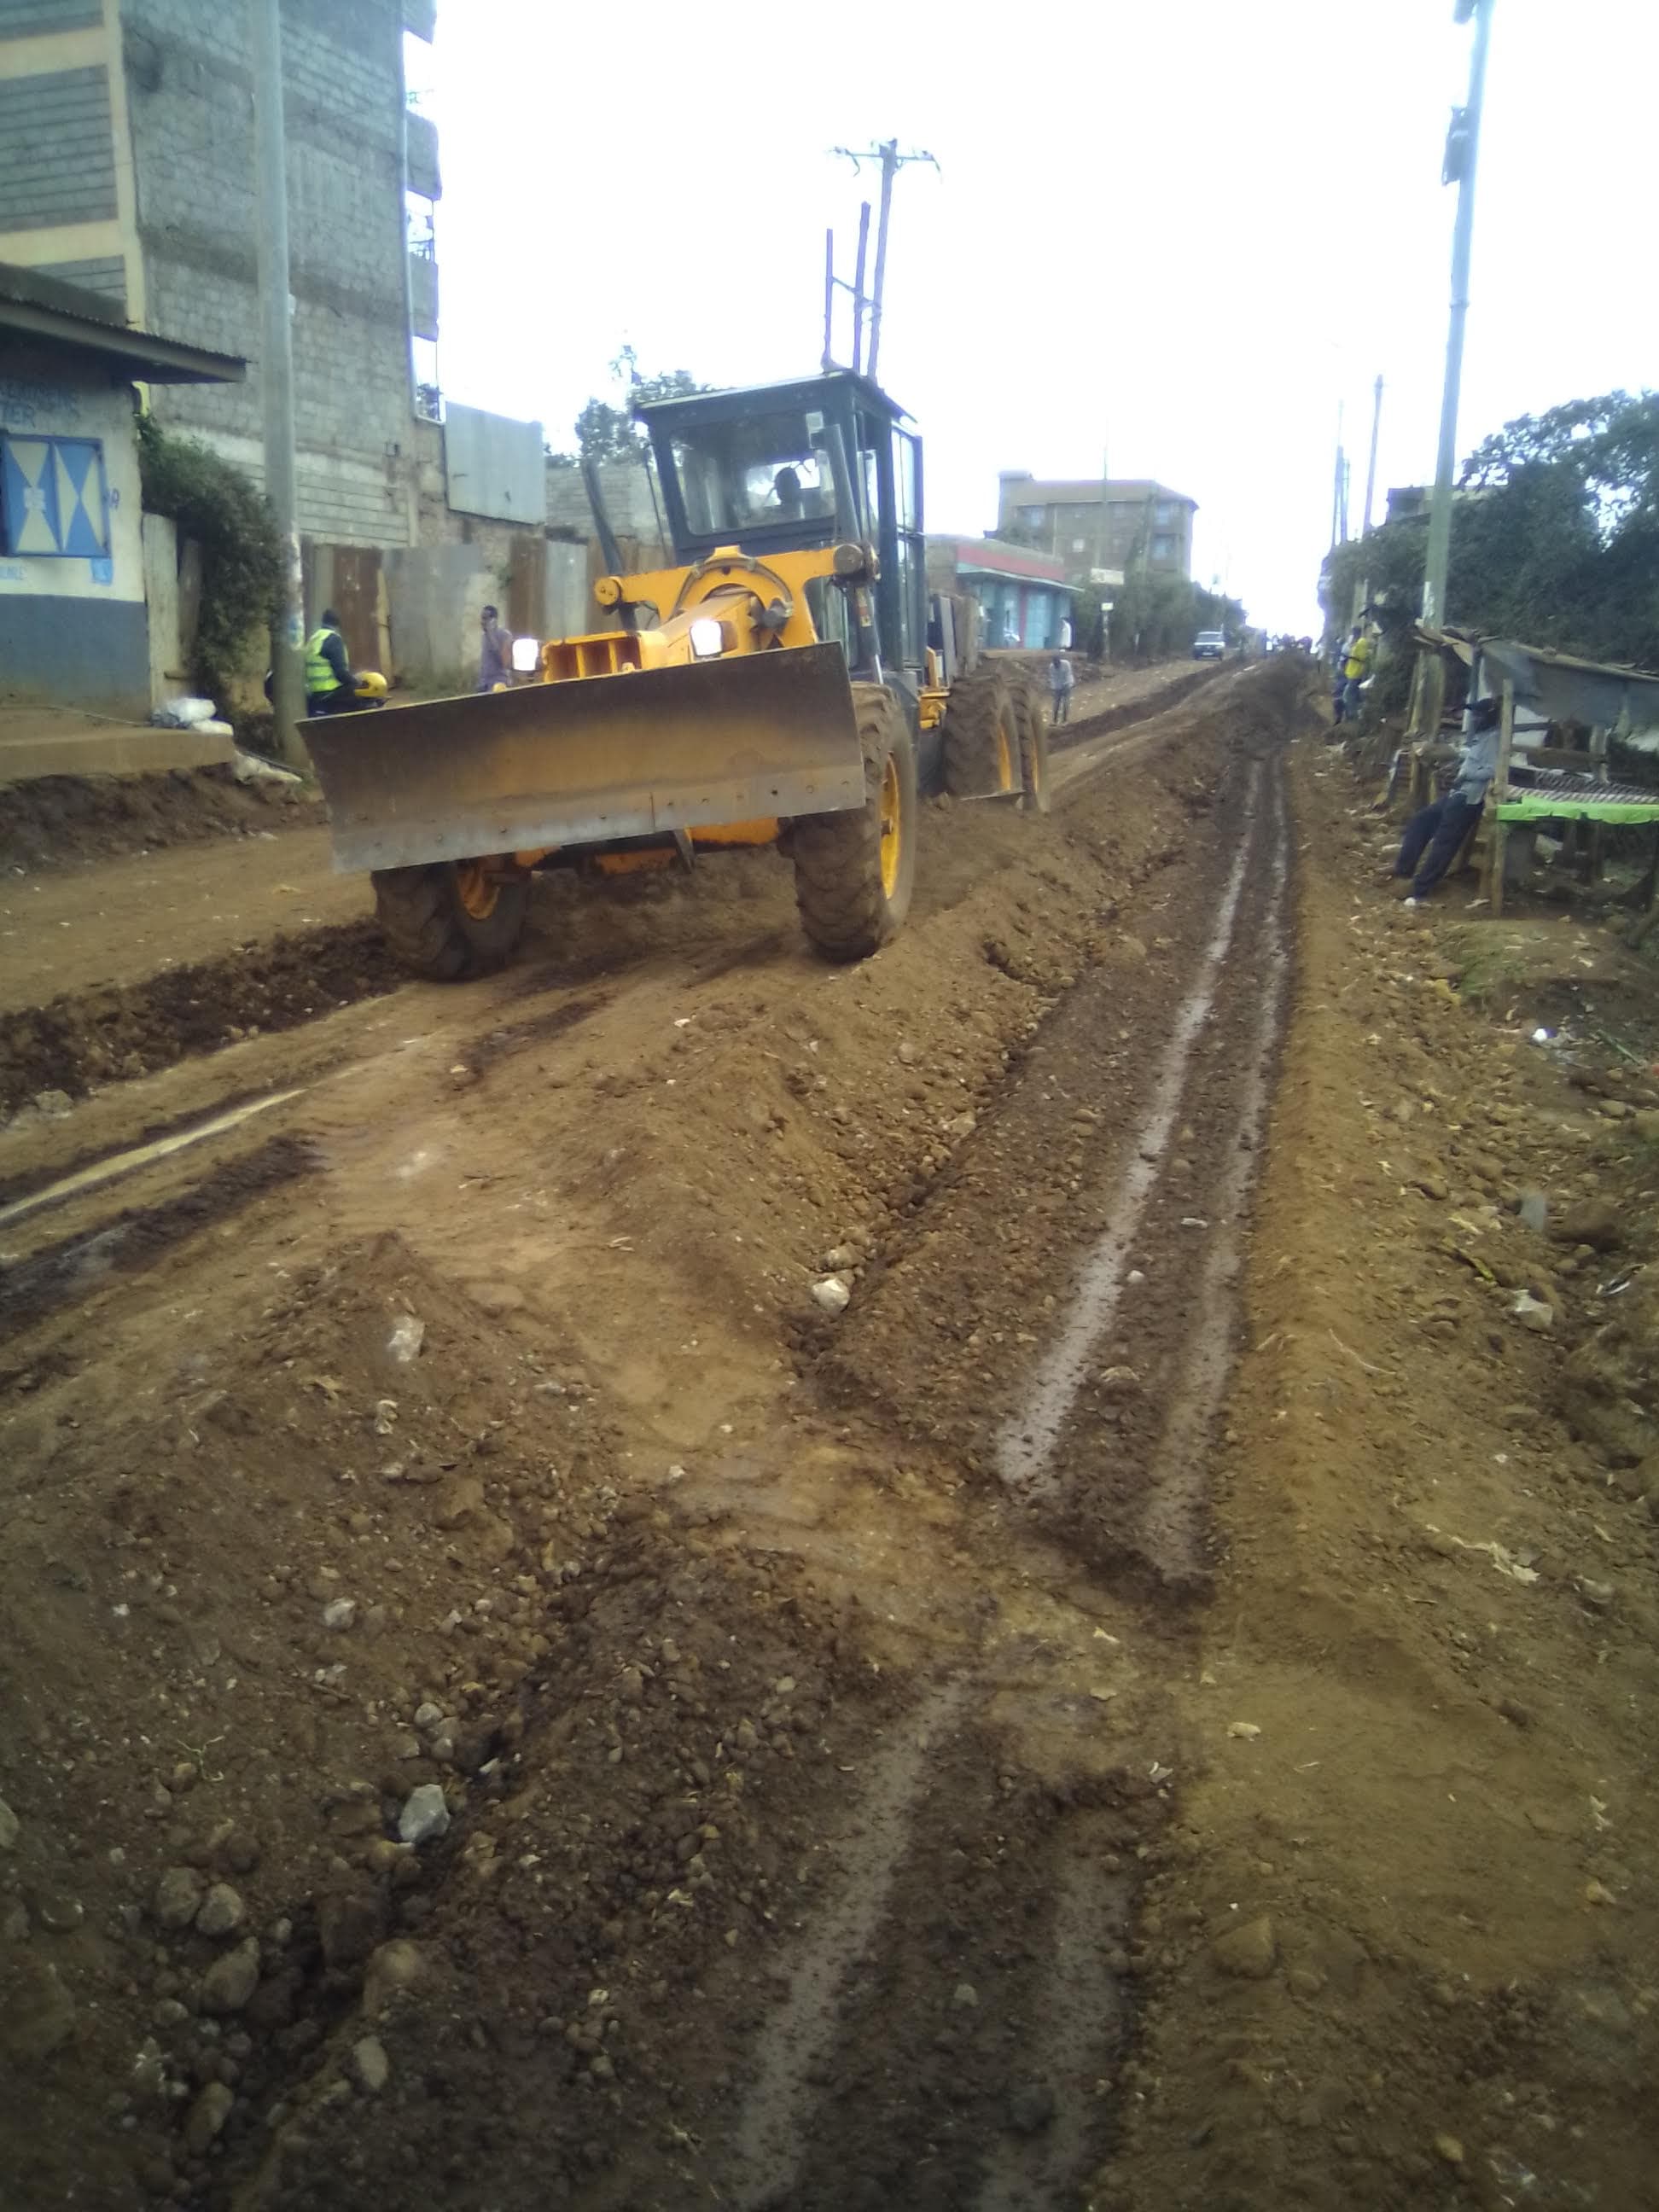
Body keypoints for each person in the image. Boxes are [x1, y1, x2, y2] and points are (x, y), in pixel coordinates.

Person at [1391, 696, 1502, 905]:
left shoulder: (1495, 740)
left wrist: (1467, 775)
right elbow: (1470, 755)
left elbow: (1493, 770)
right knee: (1420, 821)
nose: (1475, 718)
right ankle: (1403, 870)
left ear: (1488, 717)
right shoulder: (1482, 736)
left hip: (1469, 798)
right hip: (1457, 793)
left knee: (1444, 843)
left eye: (1479, 715)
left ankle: (1420, 889)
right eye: (1474, 714)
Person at [304, 608, 358, 717]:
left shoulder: (313, 639)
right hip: (331, 692)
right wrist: (356, 682)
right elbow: (340, 673)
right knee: (361, 693)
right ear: (337, 625)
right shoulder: (333, 639)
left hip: (313, 692)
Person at [1340, 621, 1376, 721]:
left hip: (1356, 673)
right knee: (1353, 694)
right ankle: (1351, 715)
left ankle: (1353, 715)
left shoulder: (1362, 642)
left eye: (1354, 632)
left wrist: (1351, 657)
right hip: (1352, 672)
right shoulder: (1356, 642)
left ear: (1357, 632)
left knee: (1347, 695)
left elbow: (1362, 658)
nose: (1353, 634)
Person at [478, 604, 514, 691]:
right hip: (484, 684)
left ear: (494, 620)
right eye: (482, 618)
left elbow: (504, 663)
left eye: (485, 618)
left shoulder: (505, 635)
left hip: (499, 684)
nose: (482, 622)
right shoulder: (484, 636)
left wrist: (491, 636)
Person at [1047, 649, 1076, 725]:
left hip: (1067, 685)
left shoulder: (1066, 664)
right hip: (1057, 687)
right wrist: (1053, 688)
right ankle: (1054, 721)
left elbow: (1068, 675)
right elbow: (1053, 678)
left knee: (1066, 703)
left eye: (1057, 663)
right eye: (1055, 663)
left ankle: (1065, 721)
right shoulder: (1052, 667)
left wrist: (1067, 685)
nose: (1056, 665)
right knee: (1056, 704)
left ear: (1059, 661)